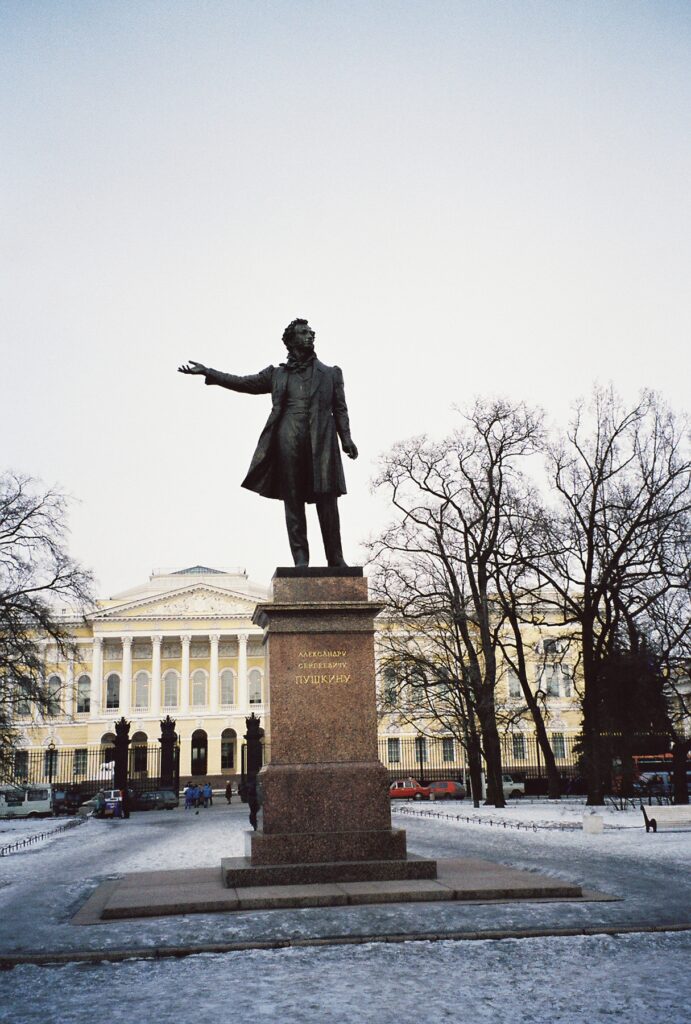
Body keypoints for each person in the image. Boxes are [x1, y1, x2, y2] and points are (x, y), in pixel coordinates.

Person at [178, 318, 358, 567]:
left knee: (327, 500)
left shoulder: (331, 373)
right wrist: (209, 372)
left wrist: (346, 438)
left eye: (311, 332)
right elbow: (243, 383)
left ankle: (336, 559)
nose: (310, 336)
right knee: (293, 501)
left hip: (322, 441)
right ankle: (301, 560)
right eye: (304, 332)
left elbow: (340, 408)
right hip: (288, 439)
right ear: (290, 340)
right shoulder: (277, 374)